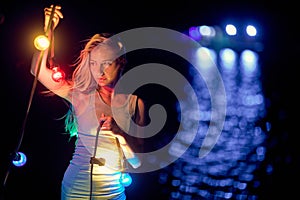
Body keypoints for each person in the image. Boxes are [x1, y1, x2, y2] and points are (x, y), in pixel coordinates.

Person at [30, 5, 148, 200]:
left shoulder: (136, 104)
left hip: (114, 193)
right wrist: (48, 30)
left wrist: (119, 133)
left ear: (121, 62)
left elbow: (138, 163)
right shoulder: (80, 95)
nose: (99, 71)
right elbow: (37, 69)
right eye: (93, 63)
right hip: (76, 188)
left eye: (106, 63)